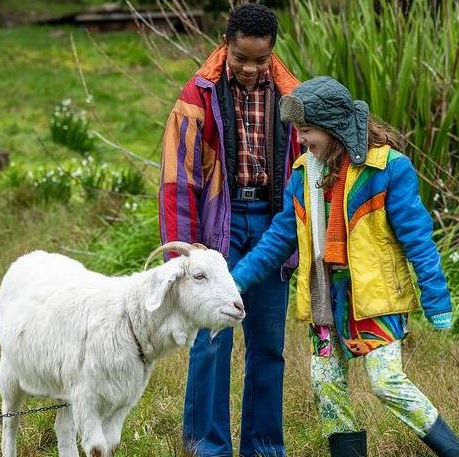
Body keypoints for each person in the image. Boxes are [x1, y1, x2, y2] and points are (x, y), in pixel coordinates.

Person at [231, 75, 459, 457]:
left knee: (387, 383)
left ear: (332, 126)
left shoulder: (389, 168)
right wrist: (235, 280)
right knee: (326, 386)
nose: (301, 140)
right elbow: (278, 239)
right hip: (326, 295)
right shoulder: (304, 172)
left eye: (306, 131)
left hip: (374, 295)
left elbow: (417, 239)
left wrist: (436, 297)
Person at [159, 3, 301, 456]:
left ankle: (264, 447)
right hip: (217, 227)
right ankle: (208, 446)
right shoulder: (197, 95)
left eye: (261, 59)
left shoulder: (291, 95)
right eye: (242, 57)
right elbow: (178, 182)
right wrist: (185, 256)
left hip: (274, 225)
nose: (250, 68)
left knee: (268, 343)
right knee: (211, 339)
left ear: (272, 52)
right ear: (226, 44)